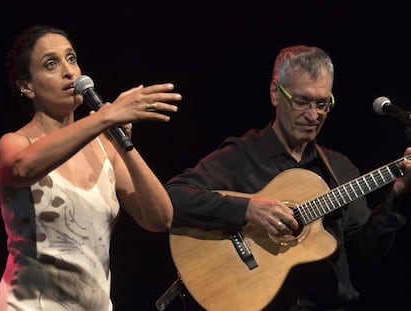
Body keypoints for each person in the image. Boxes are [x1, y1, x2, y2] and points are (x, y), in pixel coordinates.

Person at [165, 45, 411, 310]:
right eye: (302, 101)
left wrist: (398, 194)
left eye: (322, 104)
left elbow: (366, 250)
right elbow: (172, 197)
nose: (313, 115)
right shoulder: (243, 156)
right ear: (275, 93)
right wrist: (247, 209)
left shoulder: (340, 169)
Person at [0, 25, 182, 311]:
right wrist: (105, 117)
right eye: (51, 64)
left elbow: (160, 218)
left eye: (71, 58)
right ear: (27, 86)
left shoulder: (104, 146)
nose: (69, 71)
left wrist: (122, 145)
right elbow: (22, 168)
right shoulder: (15, 143)